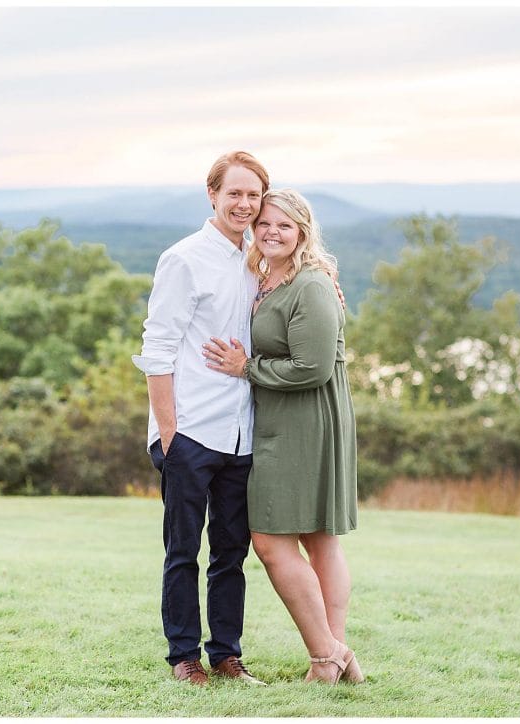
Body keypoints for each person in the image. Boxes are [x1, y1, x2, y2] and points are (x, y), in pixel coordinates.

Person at [202, 188, 363, 685]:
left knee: (274, 540)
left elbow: (312, 368)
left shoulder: (311, 284)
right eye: (265, 223)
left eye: (284, 226)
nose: (271, 231)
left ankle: (325, 655)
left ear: (303, 233)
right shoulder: (264, 275)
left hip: (306, 422)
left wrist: (246, 367)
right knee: (316, 539)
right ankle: (336, 656)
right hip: (278, 420)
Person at [131, 151, 268, 687]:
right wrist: (169, 435)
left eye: (253, 195)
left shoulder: (260, 259)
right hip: (189, 431)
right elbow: (158, 347)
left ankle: (226, 655)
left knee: (232, 552)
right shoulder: (184, 259)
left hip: (242, 434)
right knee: (183, 550)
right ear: (212, 195)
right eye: (234, 193)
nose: (244, 204)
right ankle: (183, 656)